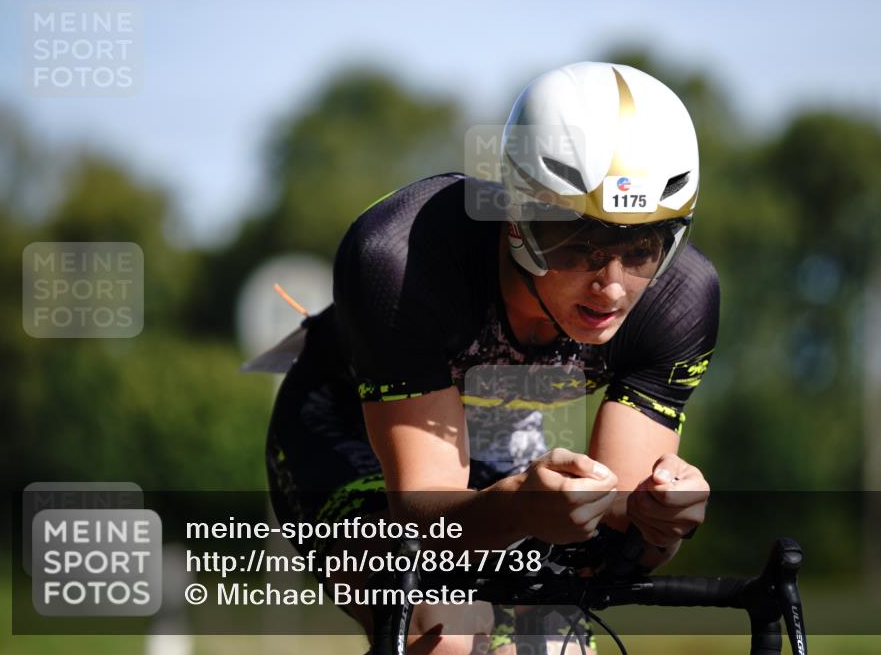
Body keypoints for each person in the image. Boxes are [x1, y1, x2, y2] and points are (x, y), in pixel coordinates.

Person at [265, 61, 719, 655]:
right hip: (344, 430)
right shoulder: (401, 261)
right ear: (515, 217)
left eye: (639, 248)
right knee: (445, 633)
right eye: (579, 244)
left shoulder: (680, 300)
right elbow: (425, 518)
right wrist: (523, 507)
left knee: (552, 646)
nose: (610, 284)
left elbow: (617, 545)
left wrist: (664, 521)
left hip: (504, 443)